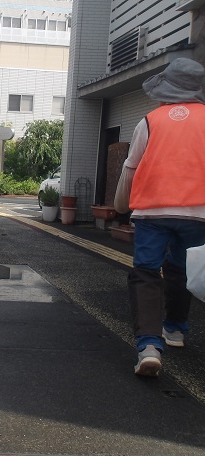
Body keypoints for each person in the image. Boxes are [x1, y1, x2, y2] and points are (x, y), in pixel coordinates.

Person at [114, 57, 205, 377]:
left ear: (166, 89)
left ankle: (149, 346)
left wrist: (121, 204)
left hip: (152, 212)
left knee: (146, 273)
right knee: (184, 269)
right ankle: (176, 329)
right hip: (198, 212)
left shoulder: (150, 121)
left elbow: (131, 167)